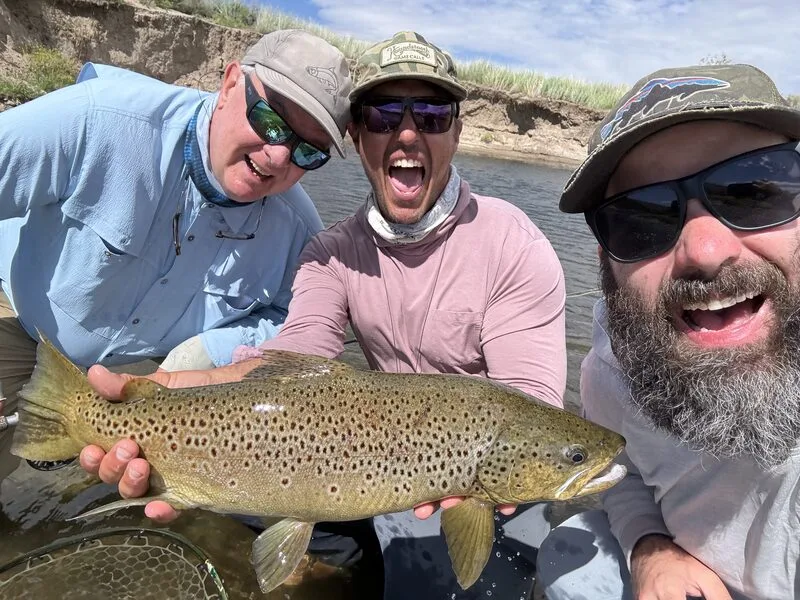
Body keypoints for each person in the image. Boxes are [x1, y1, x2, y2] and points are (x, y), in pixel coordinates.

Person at [80, 31, 568, 599]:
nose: (407, 132)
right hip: (372, 454)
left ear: (456, 132)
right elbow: (294, 366)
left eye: (433, 114)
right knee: (244, 484)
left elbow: (532, 404)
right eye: (384, 114)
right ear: (357, 137)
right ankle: (332, 559)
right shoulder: (330, 253)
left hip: (478, 475)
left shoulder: (513, 243)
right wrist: (166, 390)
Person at [0, 30, 352, 481]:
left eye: (308, 150)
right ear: (229, 85)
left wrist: (206, 352)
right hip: (17, 319)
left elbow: (297, 317)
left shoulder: (299, 231)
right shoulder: (97, 119)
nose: (279, 155)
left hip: (144, 379)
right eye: (270, 120)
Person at [536, 63, 800, 600]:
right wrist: (648, 545)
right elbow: (623, 469)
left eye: (753, 189)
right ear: (607, 260)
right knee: (567, 554)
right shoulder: (614, 363)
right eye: (641, 216)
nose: (705, 251)